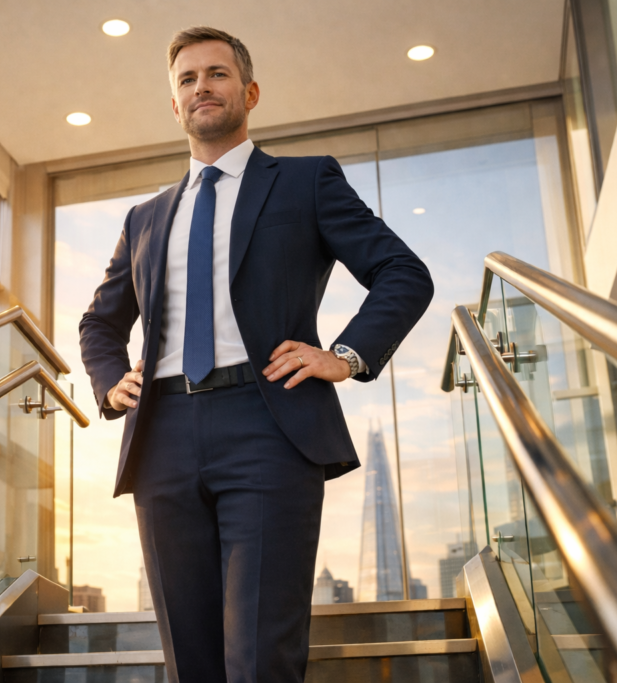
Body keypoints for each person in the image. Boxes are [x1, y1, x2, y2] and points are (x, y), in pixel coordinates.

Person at [79, 26, 433, 683]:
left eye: (216, 74)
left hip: (269, 428)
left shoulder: (305, 183)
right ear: (174, 104)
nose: (201, 87)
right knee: (192, 661)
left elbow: (403, 274)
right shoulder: (144, 217)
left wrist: (346, 354)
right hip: (162, 437)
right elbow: (99, 324)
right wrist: (110, 383)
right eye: (186, 79)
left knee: (259, 656)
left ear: (250, 91)